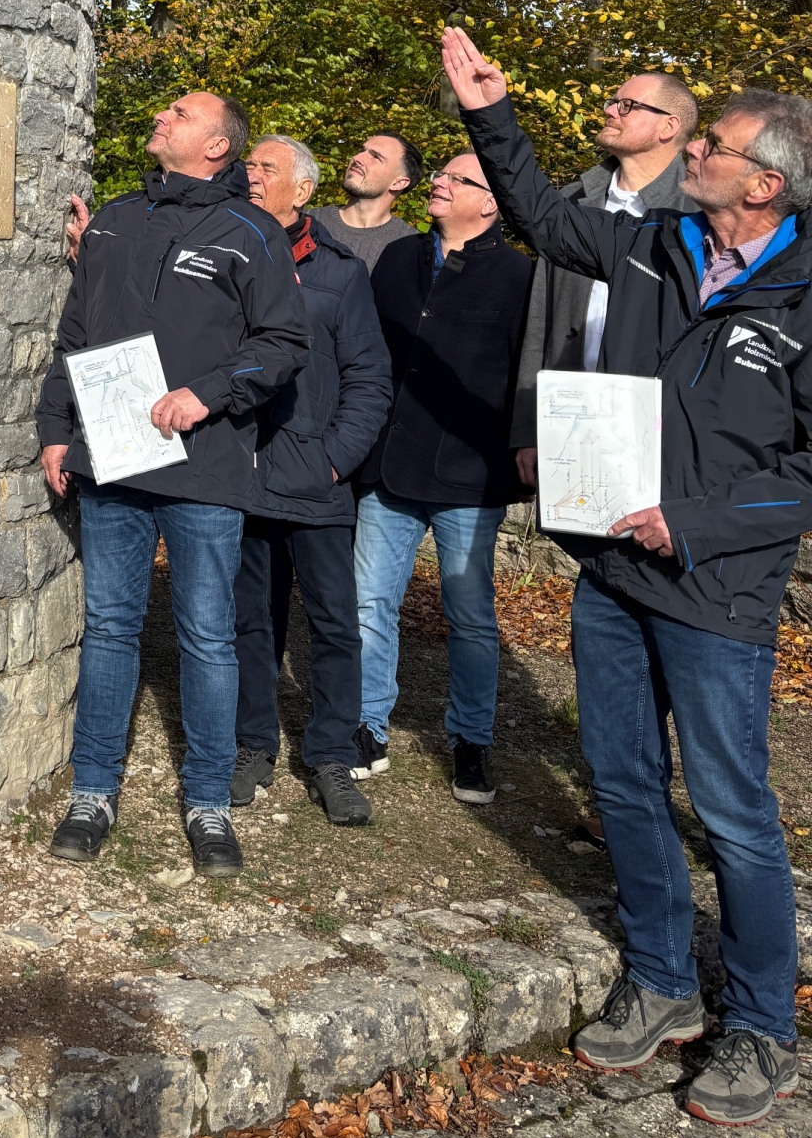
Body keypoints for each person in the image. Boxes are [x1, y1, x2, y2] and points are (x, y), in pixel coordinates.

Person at [444, 27, 812, 1129]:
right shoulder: (653, 243)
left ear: (765, 181)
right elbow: (547, 221)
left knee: (736, 811)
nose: (690, 155)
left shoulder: (799, 303)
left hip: (715, 591)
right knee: (622, 783)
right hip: (610, 572)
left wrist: (693, 520)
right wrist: (488, 116)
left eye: (714, 150)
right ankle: (659, 978)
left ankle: (758, 1023)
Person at [37, 93, 311, 876]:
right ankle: (93, 791)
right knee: (112, 624)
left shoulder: (253, 232)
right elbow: (77, 334)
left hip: (205, 464)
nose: (160, 115)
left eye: (180, 112)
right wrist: (57, 426)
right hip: (114, 461)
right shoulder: (116, 220)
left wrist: (210, 393)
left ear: (217, 144)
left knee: (205, 634)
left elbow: (283, 342)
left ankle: (209, 803)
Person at [351, 149, 532, 803]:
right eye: (441, 173)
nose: (440, 181)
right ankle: (367, 726)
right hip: (390, 465)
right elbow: (367, 351)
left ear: (489, 202)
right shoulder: (397, 257)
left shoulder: (518, 277)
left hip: (469, 473)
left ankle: (471, 741)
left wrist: (527, 444)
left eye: (458, 178)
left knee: (471, 615)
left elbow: (526, 373)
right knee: (369, 603)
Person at [232, 137, 391, 825]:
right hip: (240, 471)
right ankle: (250, 744)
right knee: (248, 621)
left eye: (266, 167)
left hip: (316, 478)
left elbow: (369, 378)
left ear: (301, 191)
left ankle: (329, 752)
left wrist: (335, 459)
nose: (250, 174)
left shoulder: (340, 272)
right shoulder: (227, 254)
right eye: (249, 165)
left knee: (333, 625)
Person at [512, 72, 699, 482]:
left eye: (628, 105)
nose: (610, 110)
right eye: (613, 101)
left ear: (669, 126)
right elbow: (540, 319)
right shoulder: (571, 201)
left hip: (657, 432)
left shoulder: (697, 215)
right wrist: (530, 425)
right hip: (566, 420)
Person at [312, 132, 423, 275]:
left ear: (398, 183)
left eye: (376, 157)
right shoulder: (304, 222)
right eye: (361, 151)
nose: (357, 158)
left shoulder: (412, 249)